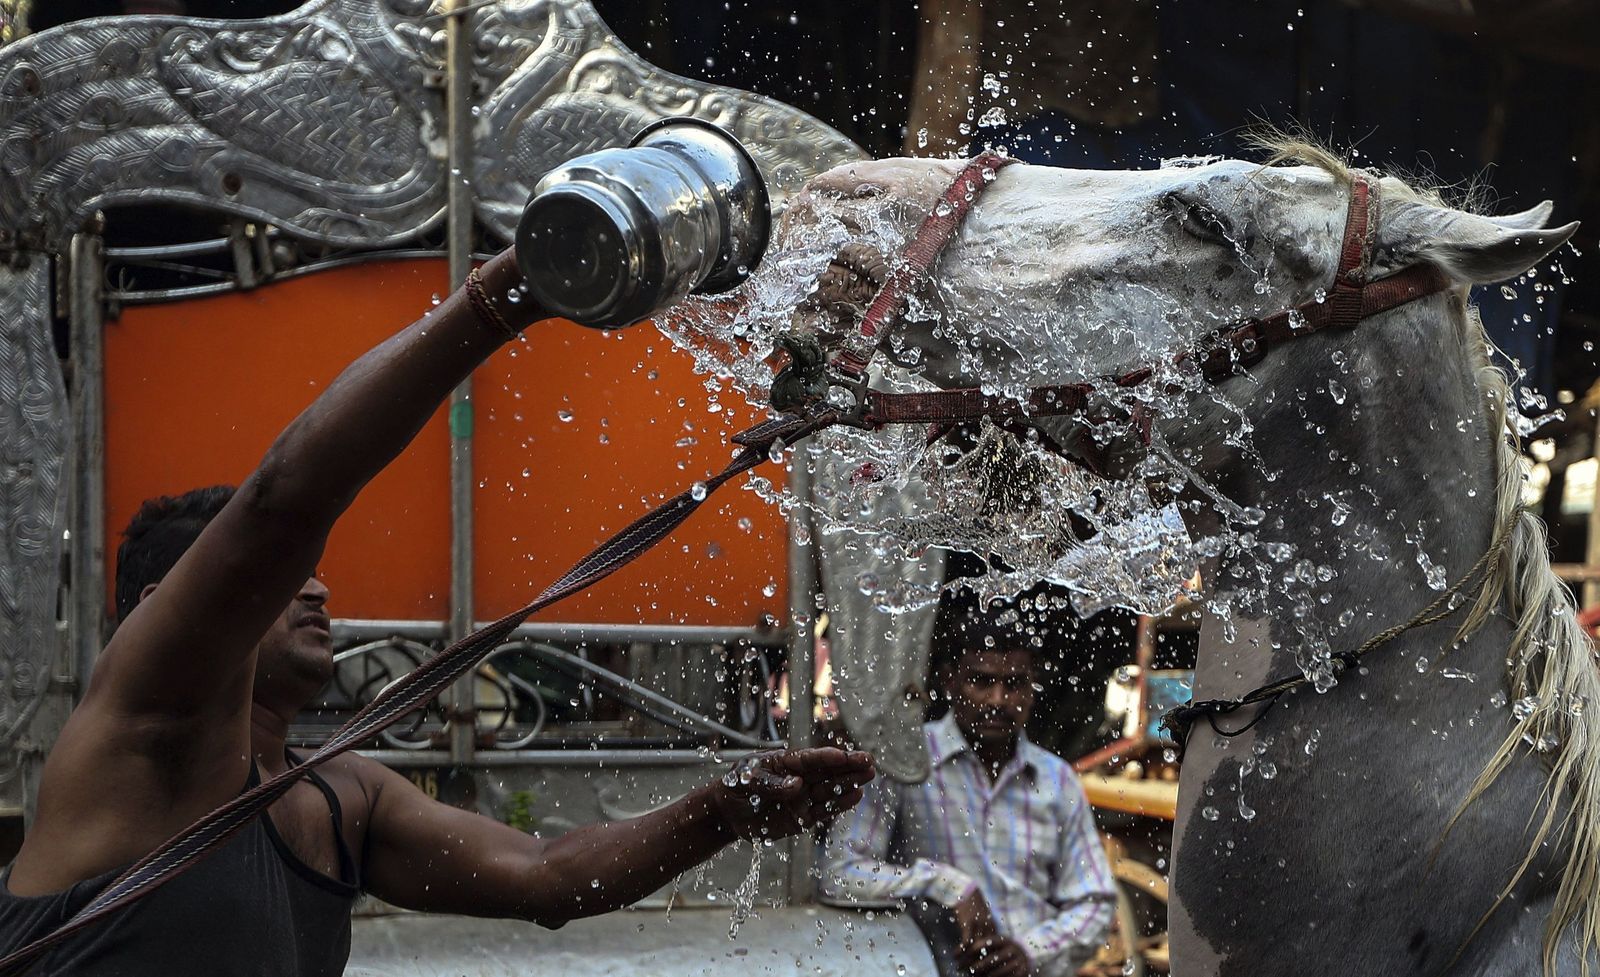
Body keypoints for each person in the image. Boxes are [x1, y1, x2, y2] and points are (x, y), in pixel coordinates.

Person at [0, 245, 875, 975]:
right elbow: (282, 505)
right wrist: (499, 301)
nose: (313, 587)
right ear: (161, 612)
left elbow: (544, 875)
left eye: (304, 576)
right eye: (272, 584)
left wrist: (725, 810)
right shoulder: (143, 731)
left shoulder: (341, 796)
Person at [819, 595, 1115, 977]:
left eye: (1014, 684)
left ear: (1032, 687)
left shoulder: (1056, 779)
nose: (998, 699)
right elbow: (840, 873)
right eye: (981, 681)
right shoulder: (906, 761)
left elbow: (1095, 901)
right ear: (949, 680)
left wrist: (1029, 953)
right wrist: (946, 885)